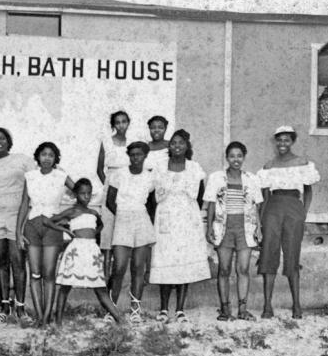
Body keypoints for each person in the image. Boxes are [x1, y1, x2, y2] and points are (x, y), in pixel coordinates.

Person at [257, 126, 320, 319]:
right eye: (279, 140)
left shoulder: (302, 163)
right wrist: (261, 220)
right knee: (269, 253)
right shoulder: (269, 166)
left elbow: (308, 190)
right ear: (275, 142)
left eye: (286, 140)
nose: (282, 144)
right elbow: (264, 195)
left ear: (292, 141)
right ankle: (267, 306)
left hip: (294, 207)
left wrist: (304, 212)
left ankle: (297, 306)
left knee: (292, 253)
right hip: (273, 209)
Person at [149, 129, 210, 323]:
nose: (177, 146)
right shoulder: (160, 167)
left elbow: (200, 195)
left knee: (184, 260)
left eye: (181, 143)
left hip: (186, 219)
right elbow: (151, 195)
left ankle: (180, 309)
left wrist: (191, 215)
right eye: (174, 143)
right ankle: (164, 308)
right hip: (165, 217)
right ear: (170, 146)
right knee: (165, 260)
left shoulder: (194, 167)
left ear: (187, 146)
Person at [46, 178, 122, 327]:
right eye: (82, 194)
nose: (86, 197)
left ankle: (120, 319)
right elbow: (48, 221)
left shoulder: (93, 212)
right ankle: (59, 322)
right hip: (76, 250)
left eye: (89, 194)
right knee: (65, 286)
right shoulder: (72, 211)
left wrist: (92, 234)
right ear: (75, 194)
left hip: (92, 251)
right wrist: (66, 229)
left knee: (100, 288)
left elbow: (100, 225)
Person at [16, 142, 74, 326]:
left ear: (55, 158)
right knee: (35, 273)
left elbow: (80, 193)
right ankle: (40, 316)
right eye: (43, 154)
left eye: (51, 155)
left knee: (49, 273)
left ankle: (48, 315)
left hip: (52, 226)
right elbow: (24, 204)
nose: (47, 158)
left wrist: (65, 217)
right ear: (38, 157)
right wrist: (18, 232)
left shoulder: (61, 176)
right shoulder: (30, 176)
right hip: (32, 225)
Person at [205, 141, 263, 321]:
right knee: (224, 269)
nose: (235, 159)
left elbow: (256, 206)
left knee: (243, 269)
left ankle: (243, 310)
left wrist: (259, 228)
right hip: (224, 227)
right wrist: (209, 229)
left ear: (244, 157)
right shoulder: (216, 178)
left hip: (245, 227)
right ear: (227, 158)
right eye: (232, 156)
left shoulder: (251, 179)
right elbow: (212, 205)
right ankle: (225, 310)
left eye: (239, 156)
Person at [0, 127, 33, 324]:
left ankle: (20, 307)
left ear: (8, 141)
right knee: (2, 262)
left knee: (18, 262)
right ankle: (4, 306)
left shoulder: (22, 159)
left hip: (17, 215)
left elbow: (39, 181)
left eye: (2, 138)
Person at [106, 141, 156, 324]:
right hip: (123, 219)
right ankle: (112, 309)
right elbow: (110, 201)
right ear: (129, 156)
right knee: (118, 266)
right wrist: (123, 215)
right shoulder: (119, 174)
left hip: (141, 219)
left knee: (138, 267)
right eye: (132, 154)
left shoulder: (150, 177)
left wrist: (142, 217)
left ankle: (135, 309)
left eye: (139, 154)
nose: (136, 158)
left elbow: (152, 203)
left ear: (145, 156)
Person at [96, 110, 130, 281]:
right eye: (118, 122)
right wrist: (108, 189)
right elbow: (99, 169)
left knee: (123, 231)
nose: (121, 125)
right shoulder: (107, 141)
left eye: (124, 121)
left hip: (127, 189)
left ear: (128, 123)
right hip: (110, 188)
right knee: (107, 233)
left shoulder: (132, 142)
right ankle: (104, 276)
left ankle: (118, 278)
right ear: (113, 125)